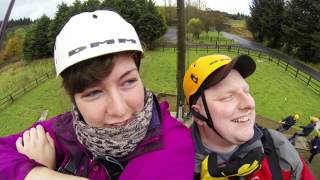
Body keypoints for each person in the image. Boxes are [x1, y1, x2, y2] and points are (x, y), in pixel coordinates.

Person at [0, 10, 194, 180]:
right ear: (73, 99)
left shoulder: (172, 144)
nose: (119, 110)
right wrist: (37, 173)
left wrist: (43, 171)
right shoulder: (65, 131)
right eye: (93, 93)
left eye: (128, 82)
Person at [183, 54, 314, 179]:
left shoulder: (277, 148)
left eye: (246, 91)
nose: (249, 104)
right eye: (228, 97)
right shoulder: (172, 165)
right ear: (199, 116)